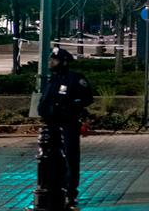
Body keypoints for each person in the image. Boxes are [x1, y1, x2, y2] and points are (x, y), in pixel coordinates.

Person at [38, 48, 94, 208]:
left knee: (70, 158)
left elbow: (87, 98)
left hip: (68, 124)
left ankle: (70, 193)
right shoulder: (53, 79)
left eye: (54, 60)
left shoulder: (74, 79)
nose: (51, 63)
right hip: (52, 125)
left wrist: (72, 106)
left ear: (63, 62)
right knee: (52, 159)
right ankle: (56, 188)